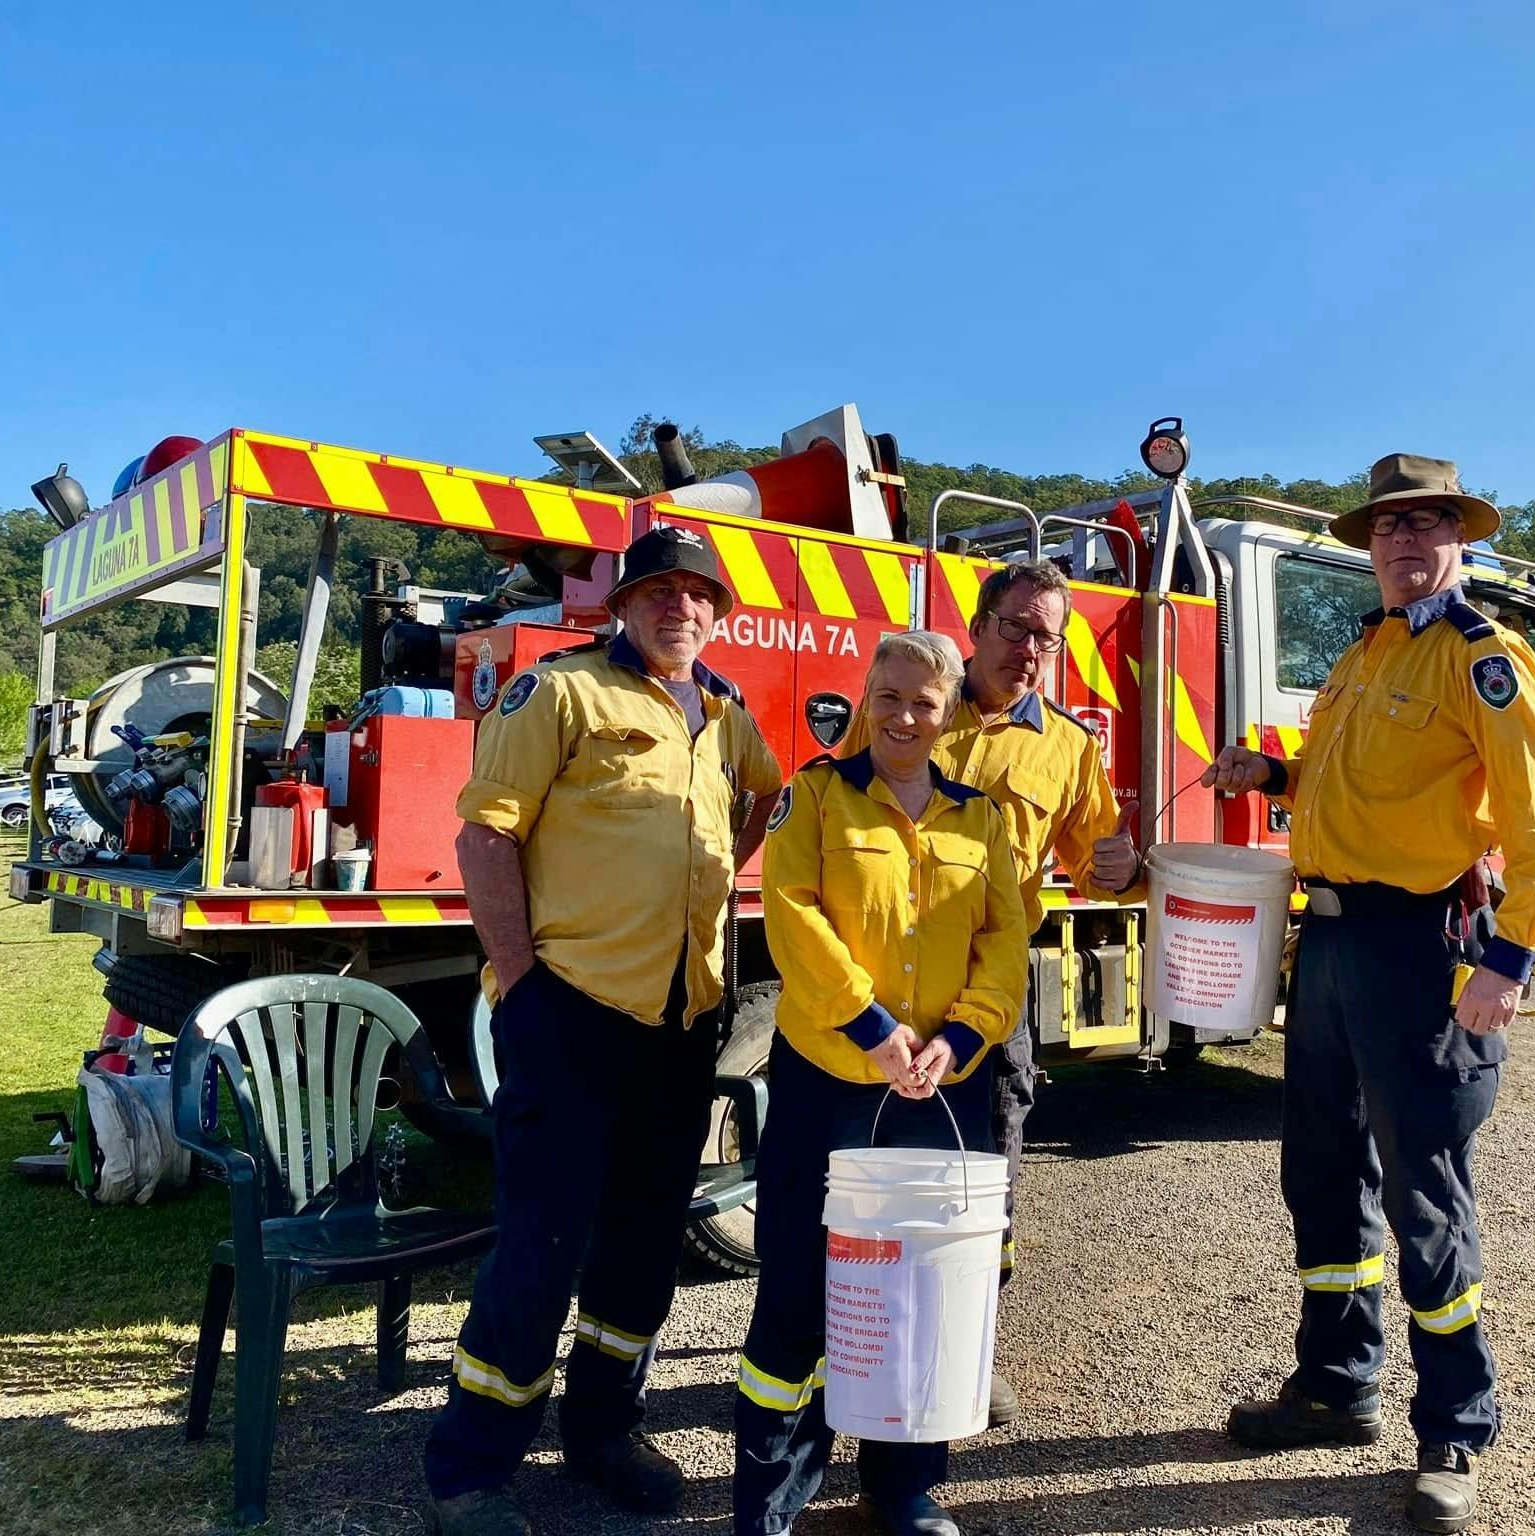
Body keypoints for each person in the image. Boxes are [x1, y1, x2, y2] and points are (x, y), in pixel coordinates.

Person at [1205, 454, 1535, 1535]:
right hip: (1328, 946)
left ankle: (1454, 1426)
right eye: (1387, 530)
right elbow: (1342, 781)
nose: (1405, 545)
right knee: (1321, 1175)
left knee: (1424, 1193)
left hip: (1420, 949)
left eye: (1426, 526)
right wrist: (1269, 778)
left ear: (1457, 541)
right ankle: (1336, 1385)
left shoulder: (1485, 657)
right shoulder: (1362, 653)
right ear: (1366, 548)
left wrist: (1507, 962)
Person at [424, 525, 783, 1536]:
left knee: (640, 1246)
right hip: (572, 1011)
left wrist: (728, 868)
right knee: (539, 1247)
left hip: (683, 1021)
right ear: (622, 605)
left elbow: (760, 798)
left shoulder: (723, 709)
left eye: (697, 594)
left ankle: (601, 1431)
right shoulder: (558, 692)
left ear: (720, 612)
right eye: (659, 591)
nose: (680, 608)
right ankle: (470, 1470)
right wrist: (520, 983)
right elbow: (486, 833)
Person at [735, 631, 1028, 1536]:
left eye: (925, 703)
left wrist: (963, 1035)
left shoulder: (980, 817)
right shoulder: (815, 797)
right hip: (831, 1078)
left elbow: (1006, 941)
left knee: (917, 1292)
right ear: (866, 698)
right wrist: (873, 1026)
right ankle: (772, 1502)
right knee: (797, 1286)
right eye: (890, 696)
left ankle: (902, 1489)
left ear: (950, 717)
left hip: (942, 1087)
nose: (905, 716)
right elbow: (792, 917)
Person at [842, 560, 1142, 1428]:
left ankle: (968, 1346)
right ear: (976, 626)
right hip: (886, 976)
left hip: (988, 996)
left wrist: (1123, 870)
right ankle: (850, 1343)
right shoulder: (913, 710)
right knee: (864, 1163)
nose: (1031, 651)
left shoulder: (1070, 748)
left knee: (985, 1176)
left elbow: (1099, 861)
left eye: (1048, 637)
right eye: (1016, 629)